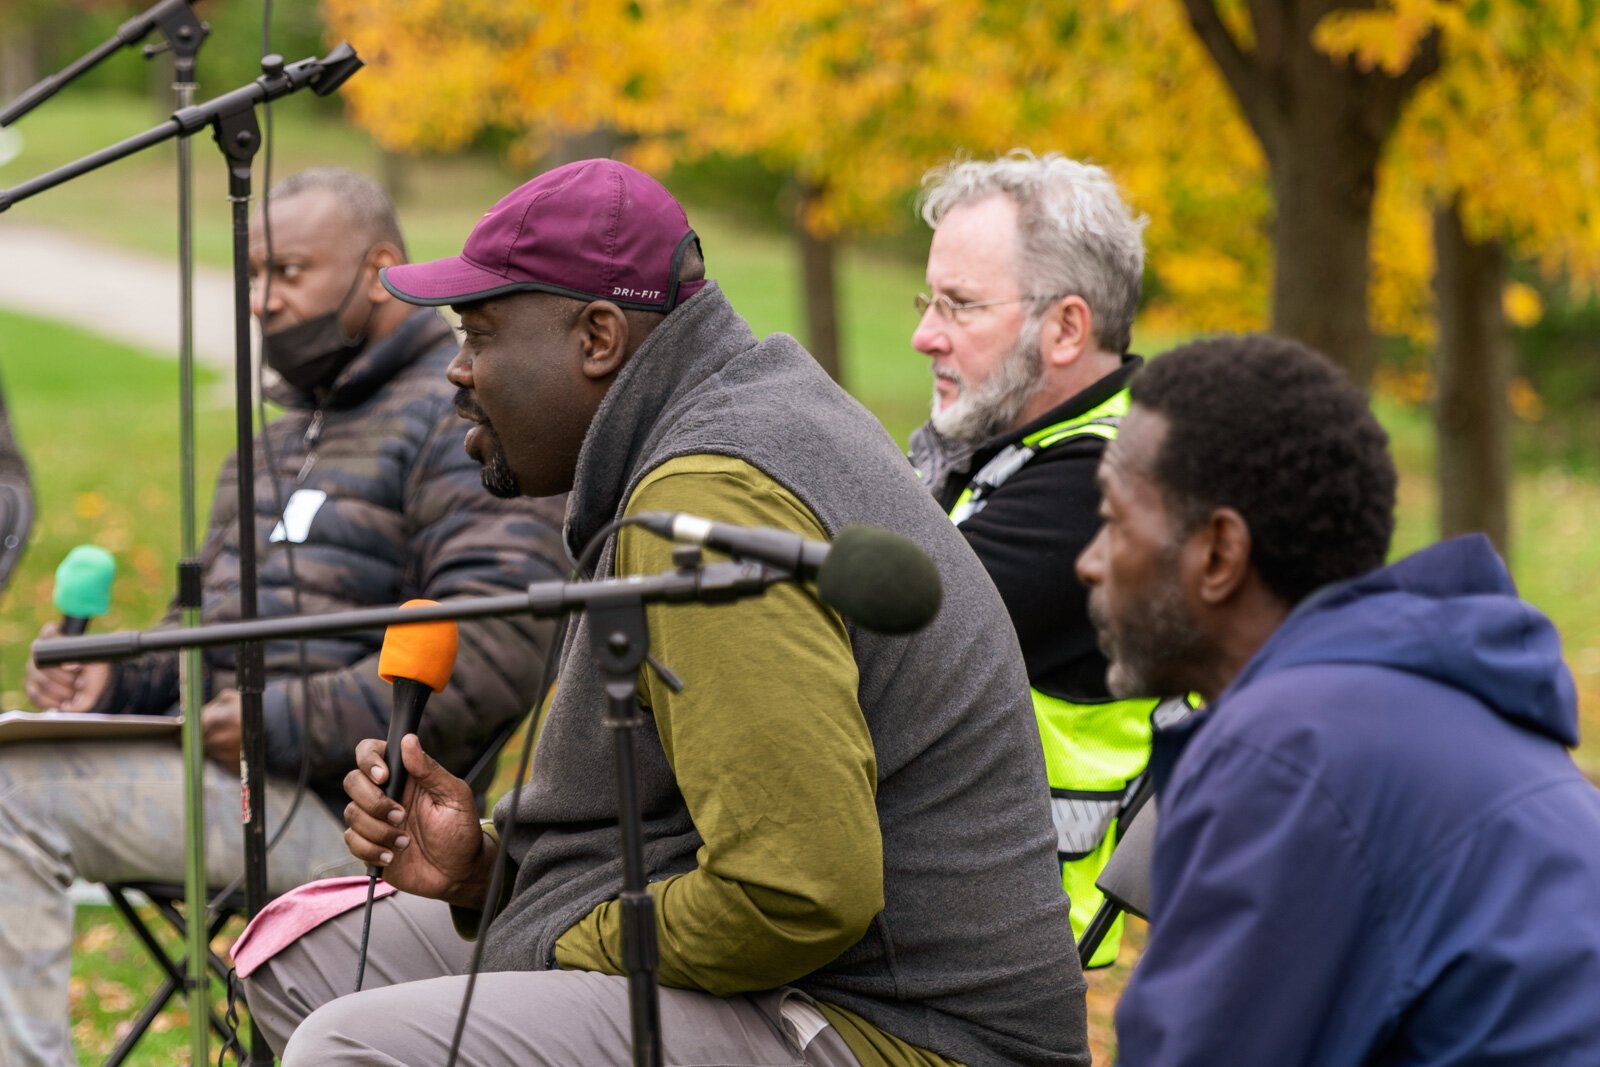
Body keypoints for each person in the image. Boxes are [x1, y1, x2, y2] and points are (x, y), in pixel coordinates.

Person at [242, 158, 1090, 1067]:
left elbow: (795, 892)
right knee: (305, 961)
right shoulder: (706, 423)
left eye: (480, 333)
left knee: (354, 1044)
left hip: (900, 1028)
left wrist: (552, 938)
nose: (456, 369)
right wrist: (491, 873)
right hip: (789, 978)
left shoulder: (712, 504)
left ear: (599, 337)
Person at [5, 167, 565, 1065]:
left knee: (6, 796)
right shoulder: (269, 440)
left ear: (380, 268)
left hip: (357, 814)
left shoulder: (461, 420)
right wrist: (122, 676)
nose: (263, 300)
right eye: (253, 274)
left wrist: (273, 721)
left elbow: (497, 642)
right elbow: (208, 631)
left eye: (290, 272)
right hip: (228, 782)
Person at [1077, 334, 1600, 1065]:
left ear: (1219, 553)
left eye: (1113, 520)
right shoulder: (1422, 703)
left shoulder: (1290, 752)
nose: (1088, 561)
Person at [907, 150, 1162, 965]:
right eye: (927, 299)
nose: (923, 334)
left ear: (1065, 328)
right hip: (943, 902)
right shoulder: (1005, 439)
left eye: (959, 304)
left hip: (994, 946)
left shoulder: (1100, 479)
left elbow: (869, 640)